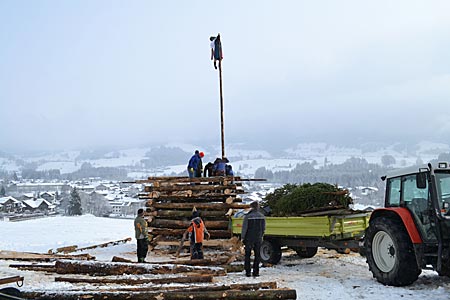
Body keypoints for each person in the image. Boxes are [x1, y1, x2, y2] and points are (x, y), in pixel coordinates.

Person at [241, 201, 266, 277]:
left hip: (249, 238)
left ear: (251, 207)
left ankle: (248, 271)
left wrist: (242, 237)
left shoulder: (247, 217)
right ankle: (256, 272)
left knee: (247, 255)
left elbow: (244, 228)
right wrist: (261, 235)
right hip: (258, 238)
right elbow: (263, 228)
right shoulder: (262, 216)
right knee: (257, 255)